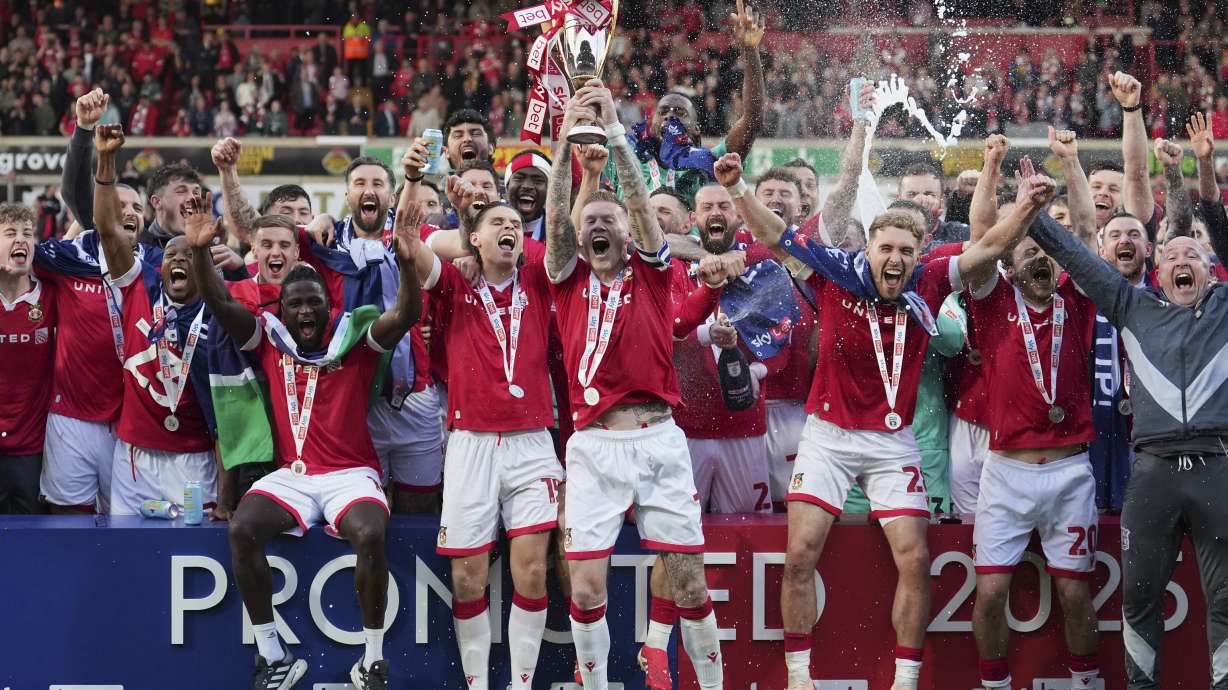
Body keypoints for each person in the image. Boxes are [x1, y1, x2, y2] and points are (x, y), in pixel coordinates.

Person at [717, 137, 1052, 690]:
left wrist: (1027, 209)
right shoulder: (834, 270)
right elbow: (776, 235)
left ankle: (904, 679)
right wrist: (734, 188)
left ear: (919, 252)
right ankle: (799, 676)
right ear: (868, 247)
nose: (894, 259)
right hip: (827, 436)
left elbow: (988, 248)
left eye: (905, 249)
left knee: (914, 560)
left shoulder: (927, 278)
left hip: (892, 443)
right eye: (885, 247)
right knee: (799, 552)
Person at [191, 191, 421, 690]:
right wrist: (198, 253)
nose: (304, 312)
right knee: (242, 530)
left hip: (349, 475)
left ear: (327, 303)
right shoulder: (270, 337)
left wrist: (407, 267)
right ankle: (274, 654)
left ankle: (372, 659)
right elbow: (219, 301)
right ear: (284, 309)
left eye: (312, 302)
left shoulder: (353, 339)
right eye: (295, 304)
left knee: (371, 533)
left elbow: (404, 317)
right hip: (292, 476)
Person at [547, 82, 729, 690]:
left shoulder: (652, 275)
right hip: (593, 447)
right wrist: (563, 143)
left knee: (689, 579)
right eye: (590, 220)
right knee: (586, 584)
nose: (598, 225)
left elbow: (646, 215)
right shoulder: (567, 278)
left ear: (628, 236)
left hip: (657, 440)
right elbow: (557, 222)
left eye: (609, 221)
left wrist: (619, 133)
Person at [1022, 155, 1228, 690]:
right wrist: (1036, 214)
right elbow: (1079, 257)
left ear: (1211, 270)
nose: (1183, 261)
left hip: (1217, 469)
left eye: (1195, 255)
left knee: (1226, 600)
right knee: (1139, 599)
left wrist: (1203, 178)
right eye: (1172, 255)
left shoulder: (1227, 309)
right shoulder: (1133, 307)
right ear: (1157, 274)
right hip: (1154, 473)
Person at [403, 185, 561, 690]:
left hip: (532, 441)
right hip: (470, 441)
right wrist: (411, 184)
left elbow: (560, 238)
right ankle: (476, 684)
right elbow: (410, 241)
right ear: (473, 238)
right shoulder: (451, 283)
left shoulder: (537, 279)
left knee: (532, 572)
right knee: (467, 578)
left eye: (514, 224)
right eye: (496, 223)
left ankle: (519, 683)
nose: (509, 229)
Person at [964, 160, 1100, 690]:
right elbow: (982, 241)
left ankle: (1086, 684)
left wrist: (1069, 164)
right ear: (1011, 267)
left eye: (1046, 252)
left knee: (1075, 594)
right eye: (1028, 252)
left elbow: (1085, 233)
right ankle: (994, 684)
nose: (1040, 257)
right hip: (1007, 473)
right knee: (991, 593)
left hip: (1070, 472)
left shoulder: (1077, 300)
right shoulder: (994, 303)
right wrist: (993, 168)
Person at [93, 124, 220, 516]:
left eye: (189, 256)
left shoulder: (219, 308)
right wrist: (106, 160)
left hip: (196, 458)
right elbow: (109, 231)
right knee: (126, 560)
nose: (177, 261)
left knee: (192, 558)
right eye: (170, 256)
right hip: (134, 458)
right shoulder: (138, 287)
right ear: (156, 264)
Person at [0, 203, 56, 514]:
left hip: (33, 448)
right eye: (10, 233)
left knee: (30, 544)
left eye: (27, 234)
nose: (21, 240)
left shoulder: (50, 295)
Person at [504, 149, 551, 241]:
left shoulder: (559, 233)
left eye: (538, 181)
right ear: (507, 186)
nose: (527, 186)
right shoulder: (489, 227)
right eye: (519, 178)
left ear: (549, 189)